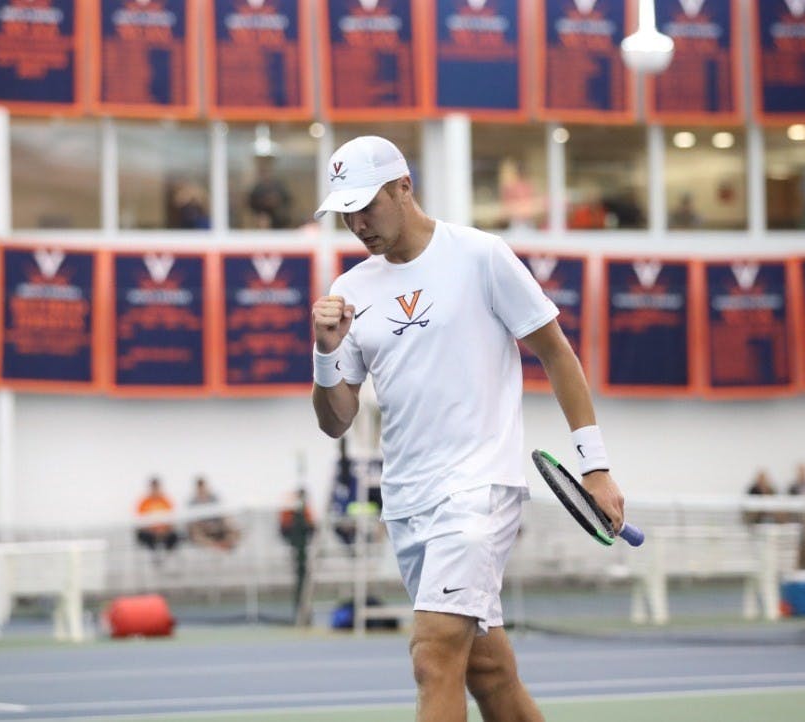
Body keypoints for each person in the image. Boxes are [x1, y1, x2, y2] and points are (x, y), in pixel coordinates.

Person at [309, 135, 625, 722]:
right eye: (345, 211)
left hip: (479, 488)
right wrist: (326, 355)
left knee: (432, 656)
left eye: (366, 205)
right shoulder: (348, 291)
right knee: (490, 672)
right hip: (406, 502)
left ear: (404, 187)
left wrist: (596, 466)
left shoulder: (481, 256)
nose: (357, 223)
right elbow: (336, 421)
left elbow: (557, 353)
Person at [279, 487, 316, 623]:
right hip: (296, 553)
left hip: (304, 553)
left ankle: (305, 611)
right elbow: (284, 530)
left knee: (305, 582)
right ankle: (300, 611)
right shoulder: (288, 512)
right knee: (300, 581)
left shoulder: (306, 512)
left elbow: (312, 528)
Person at [186, 476, 240, 552]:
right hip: (203, 529)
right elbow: (192, 521)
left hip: (217, 526)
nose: (202, 490)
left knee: (231, 526)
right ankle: (217, 545)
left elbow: (222, 513)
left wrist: (225, 521)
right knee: (196, 533)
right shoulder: (192, 502)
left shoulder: (214, 498)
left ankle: (226, 542)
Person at [135, 477, 180, 556]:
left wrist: (164, 530)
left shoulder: (165, 500)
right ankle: (155, 556)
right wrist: (152, 531)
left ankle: (168, 556)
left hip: (164, 531)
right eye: (153, 488)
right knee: (146, 538)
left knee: (174, 536)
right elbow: (140, 520)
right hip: (149, 532)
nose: (155, 490)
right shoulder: (144, 502)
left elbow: (172, 518)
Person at [247, 154, 293, 229]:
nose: (266, 174)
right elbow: (251, 203)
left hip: (279, 223)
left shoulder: (279, 186)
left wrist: (277, 202)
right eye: (263, 172)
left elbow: (288, 201)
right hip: (261, 220)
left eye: (267, 171)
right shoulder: (257, 188)